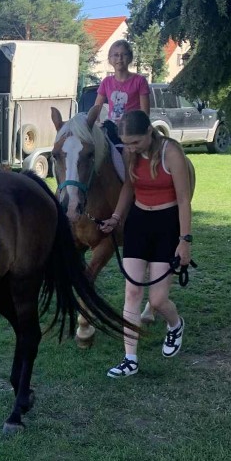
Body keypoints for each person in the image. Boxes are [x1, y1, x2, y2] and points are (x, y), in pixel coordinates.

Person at [98, 110, 192, 378]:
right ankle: (130, 359)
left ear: (150, 132)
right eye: (126, 143)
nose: (130, 148)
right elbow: (129, 187)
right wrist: (116, 218)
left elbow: (184, 200)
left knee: (158, 300)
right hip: (139, 222)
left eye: (135, 142)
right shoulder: (131, 153)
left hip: (167, 223)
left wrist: (185, 241)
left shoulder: (171, 152)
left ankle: (175, 324)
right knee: (132, 292)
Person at [85, 40, 150, 147]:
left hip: (133, 130)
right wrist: (96, 123)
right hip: (112, 129)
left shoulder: (140, 81)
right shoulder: (106, 82)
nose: (120, 58)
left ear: (130, 58)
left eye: (124, 54)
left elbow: (145, 113)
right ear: (110, 59)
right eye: (116, 55)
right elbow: (97, 107)